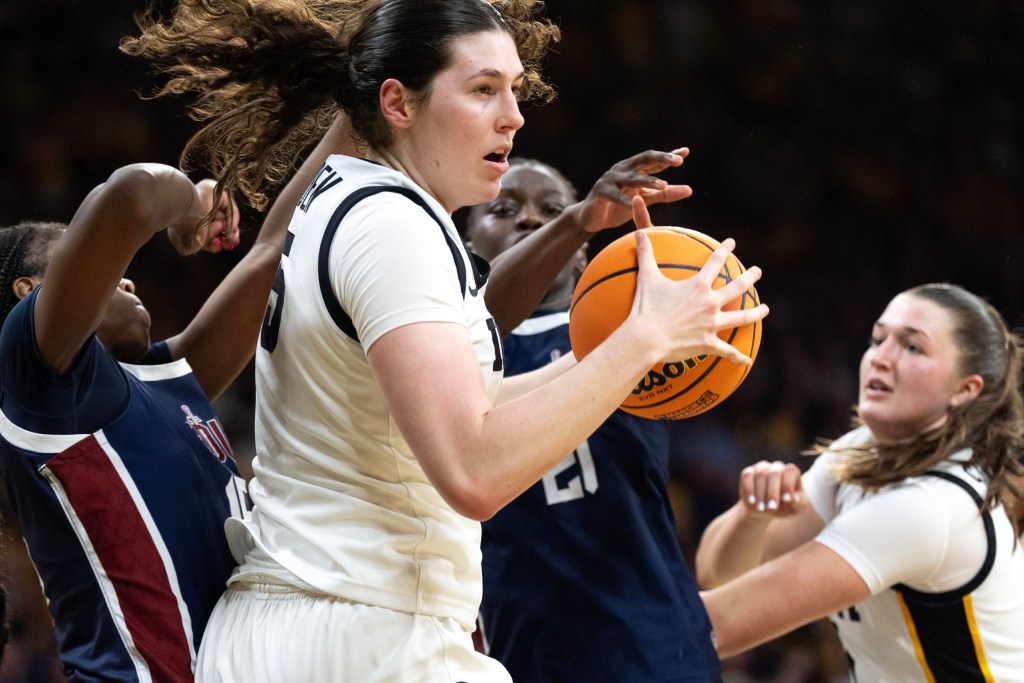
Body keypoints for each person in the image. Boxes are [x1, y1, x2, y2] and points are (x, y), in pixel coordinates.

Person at [121, 1, 767, 680]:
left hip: (317, 624)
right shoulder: (392, 228)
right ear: (397, 103)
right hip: (365, 636)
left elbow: (472, 405)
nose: (514, 114)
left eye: (515, 88)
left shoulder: (352, 196)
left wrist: (628, 353)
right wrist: (641, 337)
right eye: (484, 89)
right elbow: (472, 471)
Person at [0, 109, 357, 680]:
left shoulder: (161, 380)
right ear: (29, 293)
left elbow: (272, 252)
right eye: (84, 259)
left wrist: (359, 113)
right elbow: (133, 195)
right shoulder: (36, 379)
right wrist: (194, 204)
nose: (126, 276)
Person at [463, 155, 721, 682]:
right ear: (467, 252)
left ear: (581, 253)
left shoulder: (631, 324)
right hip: (525, 650)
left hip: (657, 645)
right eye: (504, 209)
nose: (530, 219)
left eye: (552, 209)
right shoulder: (447, 358)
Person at [695, 283, 1024, 681]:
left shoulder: (930, 506)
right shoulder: (859, 452)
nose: (880, 358)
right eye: (878, 339)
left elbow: (717, 628)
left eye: (912, 347)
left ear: (965, 389)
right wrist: (751, 515)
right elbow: (719, 577)